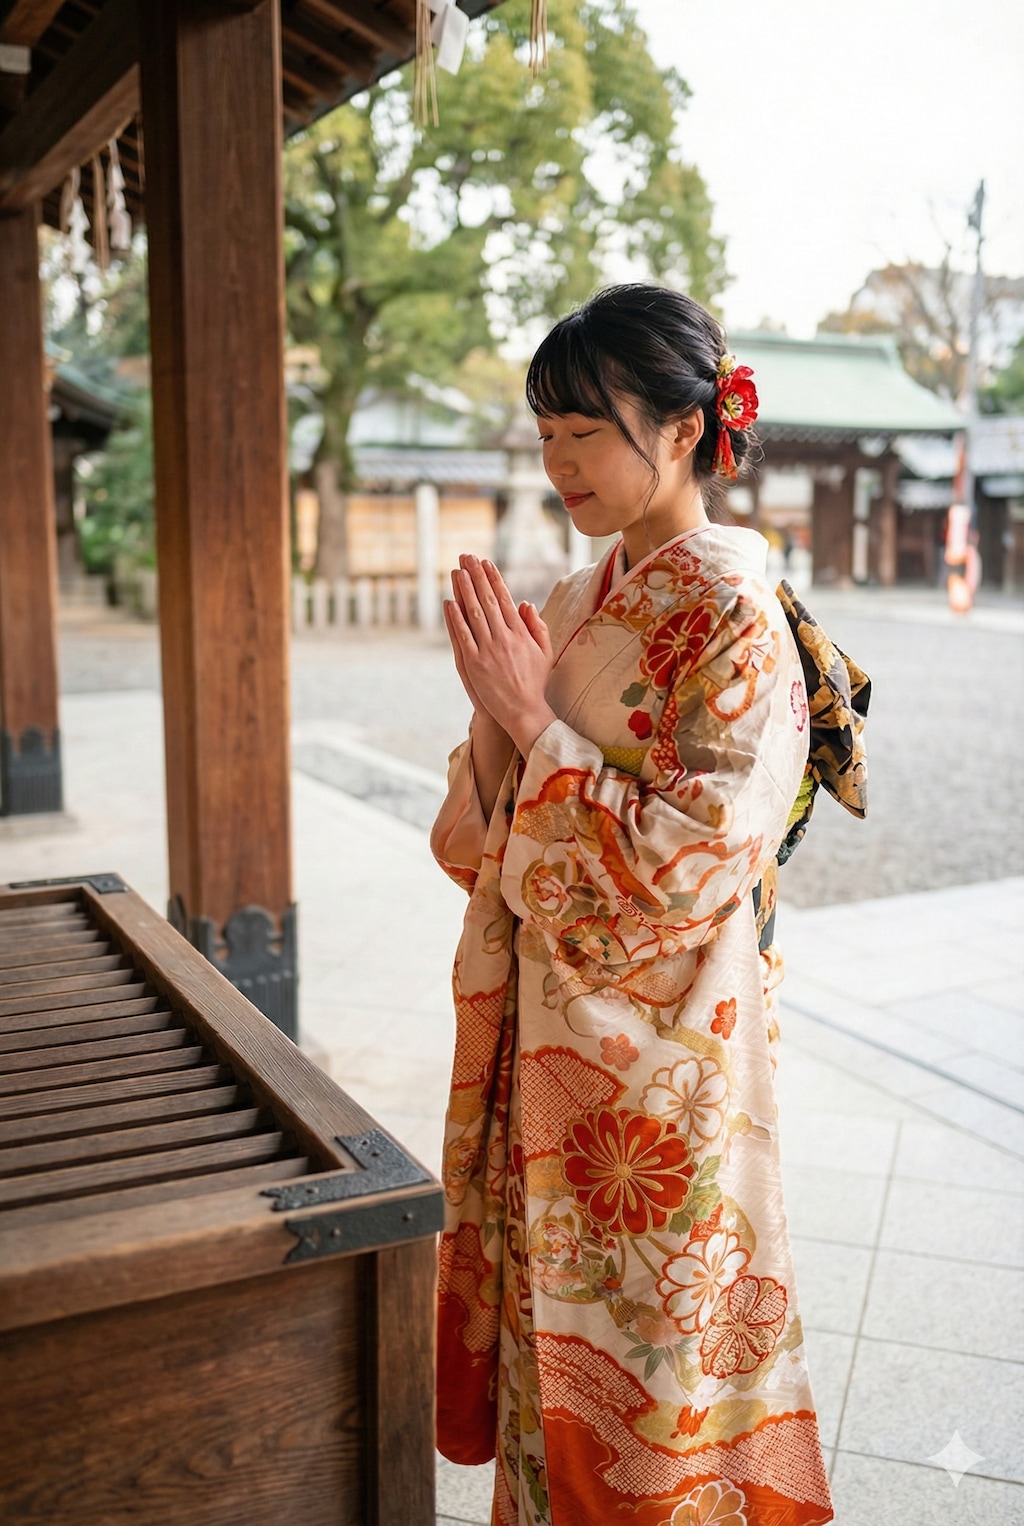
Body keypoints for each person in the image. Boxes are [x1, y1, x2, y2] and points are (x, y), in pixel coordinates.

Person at [431, 284, 835, 1526]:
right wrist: (503, 716)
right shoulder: (571, 596)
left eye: (584, 434)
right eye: (545, 438)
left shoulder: (736, 620)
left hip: (660, 1070)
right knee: (541, 1374)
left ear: (678, 427)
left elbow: (688, 866)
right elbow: (474, 831)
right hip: (541, 1051)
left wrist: (524, 716)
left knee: (653, 1372)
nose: (559, 466)